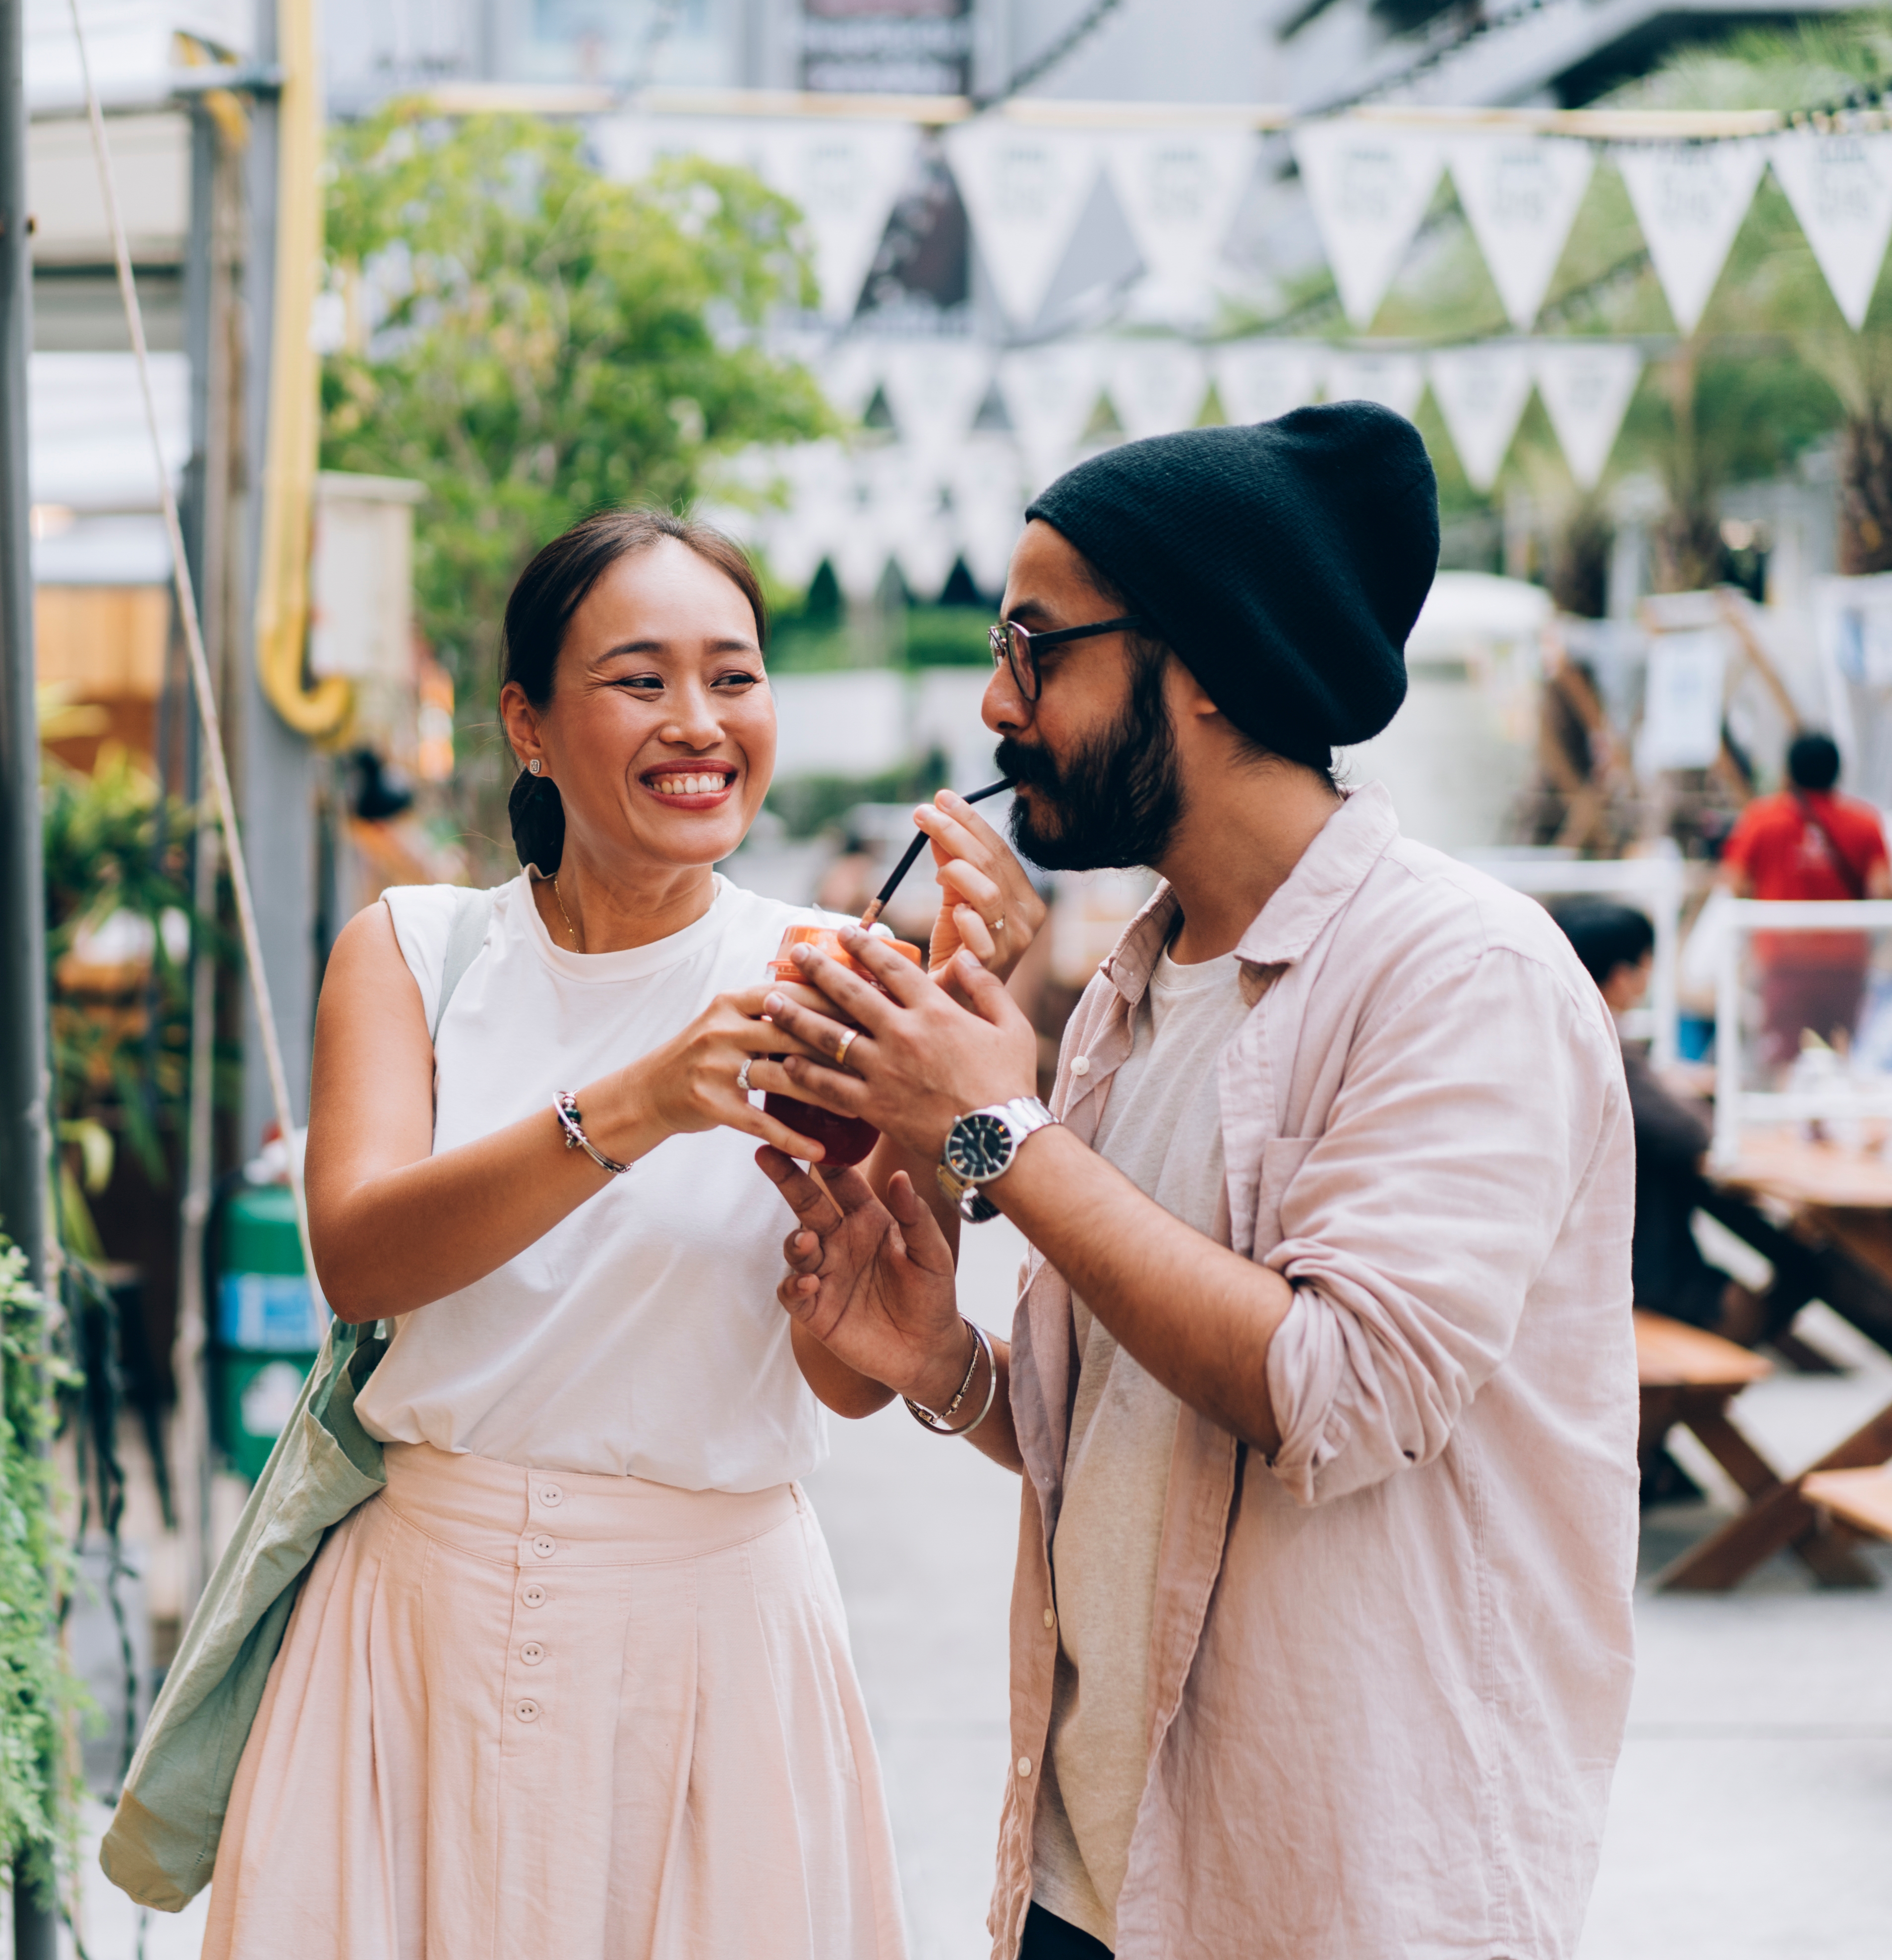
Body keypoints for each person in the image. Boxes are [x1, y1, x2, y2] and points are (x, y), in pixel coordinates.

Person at [747, 404, 1640, 1960]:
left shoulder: (1458, 973)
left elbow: (1330, 1387)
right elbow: (1118, 1432)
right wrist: (944, 1363)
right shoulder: (1134, 989)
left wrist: (990, 1132)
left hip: (1343, 1886)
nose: (990, 701)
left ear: (1208, 663)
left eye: (1035, 651)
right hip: (1099, 1867)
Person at [200, 508, 1041, 1959]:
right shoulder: (410, 952)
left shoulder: (836, 984)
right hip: (418, 1624)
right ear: (527, 723)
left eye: (733, 674)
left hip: (714, 1639)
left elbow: (846, 1373)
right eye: (638, 679)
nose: (696, 721)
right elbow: (358, 1255)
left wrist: (929, 1127)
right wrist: (633, 1103)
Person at [1549, 899, 1727, 1332]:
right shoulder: (1609, 1052)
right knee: (1799, 1273)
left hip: (1577, 1263)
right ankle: (1697, 1399)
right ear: (1623, 976)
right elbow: (1693, 1134)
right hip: (1638, 1274)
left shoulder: (1558, 1038)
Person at [1718, 732, 1889, 1064]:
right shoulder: (1864, 821)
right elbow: (1883, 888)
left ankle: (1791, 1116)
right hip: (1845, 961)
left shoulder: (1762, 819)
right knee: (1840, 1052)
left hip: (1782, 960)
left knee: (1785, 1057)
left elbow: (1734, 881)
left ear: (1789, 770)